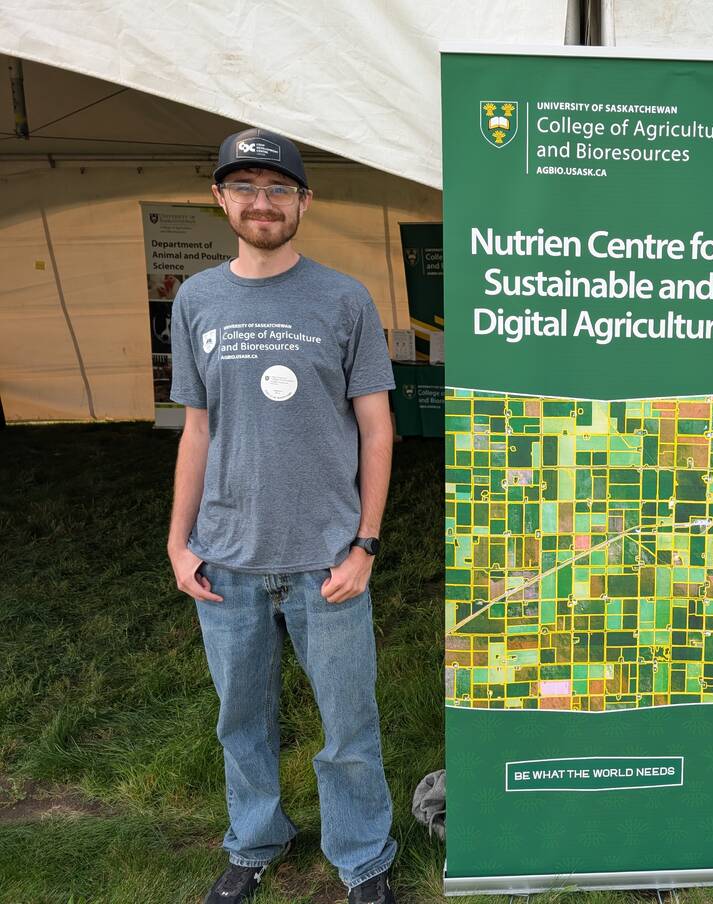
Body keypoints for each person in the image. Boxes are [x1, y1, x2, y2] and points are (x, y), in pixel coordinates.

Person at [168, 128, 398, 904]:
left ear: (304, 202)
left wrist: (365, 544)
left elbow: (377, 429)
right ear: (220, 199)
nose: (261, 202)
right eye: (244, 187)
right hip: (226, 560)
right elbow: (196, 430)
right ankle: (255, 842)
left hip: (326, 559)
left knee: (349, 727)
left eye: (277, 189)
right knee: (241, 722)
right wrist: (178, 542)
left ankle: (362, 857)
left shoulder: (344, 298)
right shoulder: (197, 299)